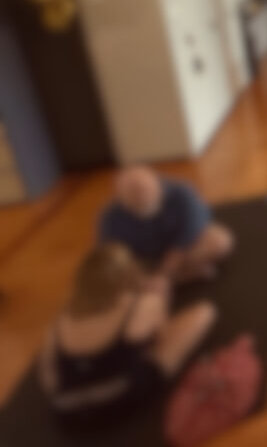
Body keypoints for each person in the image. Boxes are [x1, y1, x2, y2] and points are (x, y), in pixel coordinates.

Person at [38, 244, 216, 430]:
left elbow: (49, 377)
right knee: (204, 312)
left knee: (122, 350)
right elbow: (161, 334)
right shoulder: (137, 305)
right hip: (125, 397)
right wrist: (161, 295)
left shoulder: (60, 321)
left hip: (68, 413)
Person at [99, 167, 234, 283]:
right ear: (122, 198)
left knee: (221, 240)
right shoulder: (111, 217)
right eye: (134, 196)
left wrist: (167, 268)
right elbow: (109, 254)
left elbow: (194, 227)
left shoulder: (182, 193)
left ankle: (168, 279)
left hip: (180, 251)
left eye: (145, 192)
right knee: (117, 275)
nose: (141, 198)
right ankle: (177, 278)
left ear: (158, 186)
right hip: (145, 261)